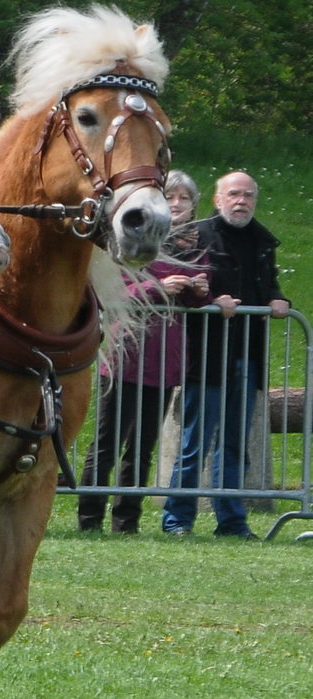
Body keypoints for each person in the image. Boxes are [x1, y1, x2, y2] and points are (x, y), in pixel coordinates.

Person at [78, 170, 209, 533]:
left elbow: (200, 296)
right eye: (171, 197)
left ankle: (127, 521)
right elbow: (115, 292)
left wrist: (198, 292)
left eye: (185, 199)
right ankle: (89, 519)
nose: (178, 204)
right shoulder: (129, 240)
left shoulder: (194, 244)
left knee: (142, 447)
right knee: (106, 444)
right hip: (124, 356)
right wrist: (159, 288)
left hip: (165, 360)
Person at [163, 171, 291, 539]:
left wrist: (278, 299)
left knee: (235, 444)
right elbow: (181, 280)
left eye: (248, 195)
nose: (241, 201)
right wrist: (209, 299)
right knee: (194, 443)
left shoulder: (262, 240)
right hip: (206, 355)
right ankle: (177, 520)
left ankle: (232, 521)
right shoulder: (195, 235)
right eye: (233, 194)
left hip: (247, 354)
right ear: (218, 199)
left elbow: (268, 283)